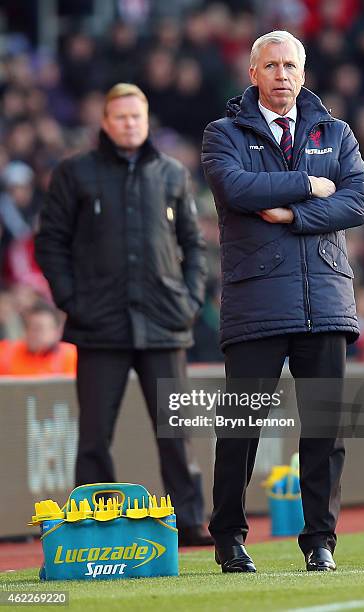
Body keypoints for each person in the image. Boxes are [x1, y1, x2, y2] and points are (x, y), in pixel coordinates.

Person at [202, 31, 364, 571]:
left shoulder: (336, 131)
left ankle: (320, 541)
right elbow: (236, 190)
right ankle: (228, 537)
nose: (281, 74)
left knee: (326, 429)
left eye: (290, 65)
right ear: (252, 73)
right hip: (256, 303)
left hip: (325, 300)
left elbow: (359, 201)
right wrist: (310, 184)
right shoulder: (222, 133)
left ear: (303, 72)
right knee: (240, 429)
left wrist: (294, 214)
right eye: (270, 65)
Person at [35, 83, 211, 546]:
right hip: (99, 325)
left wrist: (190, 300)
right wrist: (72, 300)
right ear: (105, 123)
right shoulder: (75, 173)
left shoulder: (173, 173)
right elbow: (49, 242)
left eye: (137, 116)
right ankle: (94, 527)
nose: (130, 124)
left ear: (147, 119)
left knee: (176, 436)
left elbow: (195, 245)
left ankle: (190, 522)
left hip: (165, 322)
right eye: (121, 117)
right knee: (94, 436)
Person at [0, 301, 76, 376]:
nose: (33, 333)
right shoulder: (7, 352)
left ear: (56, 331)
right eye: (28, 327)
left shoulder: (70, 356)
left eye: (39, 328)